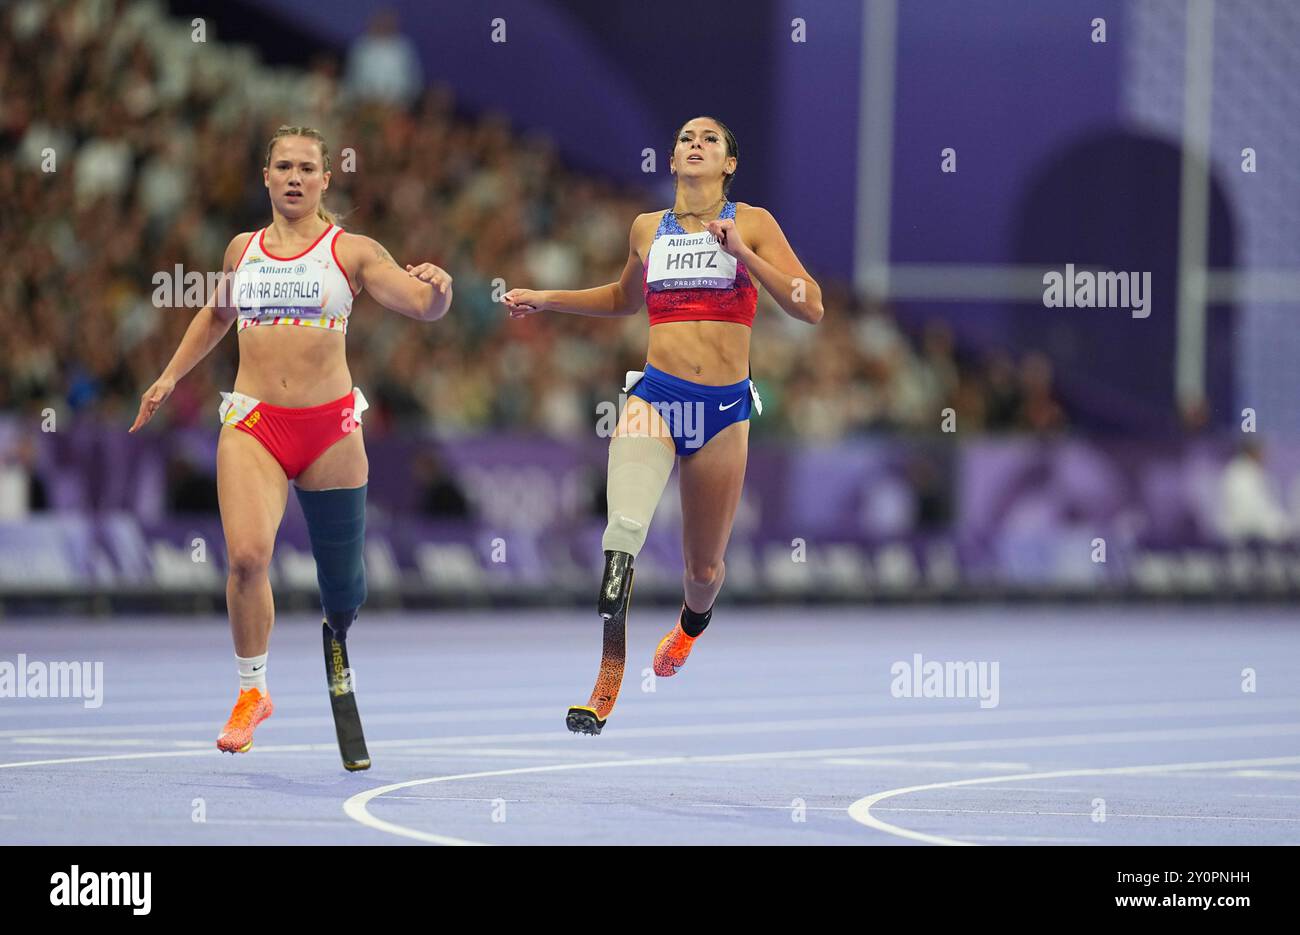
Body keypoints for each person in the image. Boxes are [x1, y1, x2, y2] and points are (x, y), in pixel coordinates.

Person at [130, 126, 452, 763]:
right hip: (255, 424)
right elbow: (219, 314)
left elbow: (419, 305)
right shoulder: (242, 250)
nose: (297, 177)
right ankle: (253, 691)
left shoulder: (350, 251)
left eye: (308, 167)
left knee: (345, 589)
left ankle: (337, 631)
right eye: (285, 166)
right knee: (248, 557)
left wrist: (439, 291)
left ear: (326, 179)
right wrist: (169, 376)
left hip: (331, 430)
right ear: (267, 177)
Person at [505, 116, 823, 733]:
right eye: (685, 139)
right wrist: (547, 299)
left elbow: (810, 306)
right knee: (621, 532)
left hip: (726, 410)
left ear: (729, 163)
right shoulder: (647, 228)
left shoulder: (753, 222)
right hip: (656, 397)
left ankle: (690, 624)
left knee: (702, 572)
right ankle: (607, 678)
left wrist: (746, 255)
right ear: (673, 160)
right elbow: (623, 299)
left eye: (709, 140)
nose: (695, 145)